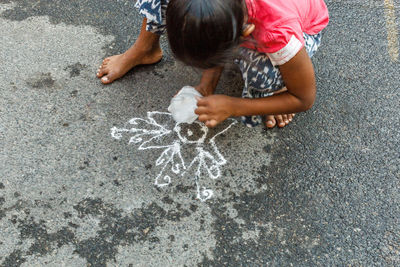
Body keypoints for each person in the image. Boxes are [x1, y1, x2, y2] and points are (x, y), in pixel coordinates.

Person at [98, 0, 329, 128]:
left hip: (303, 27)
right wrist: (206, 84)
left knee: (263, 71)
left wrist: (233, 106)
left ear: (244, 34)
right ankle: (145, 48)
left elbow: (304, 98)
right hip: (239, 19)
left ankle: (280, 90)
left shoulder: (277, 32)